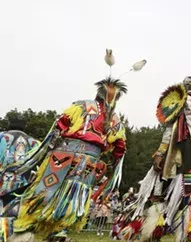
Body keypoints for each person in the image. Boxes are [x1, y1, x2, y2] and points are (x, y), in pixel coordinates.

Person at [1, 52, 138, 242]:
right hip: (88, 164)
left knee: (45, 191)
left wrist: (50, 146)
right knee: (71, 200)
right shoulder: (115, 120)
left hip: (61, 156)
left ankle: (26, 228)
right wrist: (114, 163)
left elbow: (61, 124)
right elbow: (120, 148)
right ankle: (57, 232)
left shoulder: (80, 106)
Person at [122, 75, 191, 242]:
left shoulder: (181, 101)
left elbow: (170, 131)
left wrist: (160, 154)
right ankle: (185, 234)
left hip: (179, 155)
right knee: (189, 198)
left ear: (186, 86)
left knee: (160, 191)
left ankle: (153, 230)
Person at [0, 115, 40, 203]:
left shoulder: (2, 136)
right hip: (21, 185)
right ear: (24, 127)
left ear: (9, 125)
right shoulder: (34, 142)